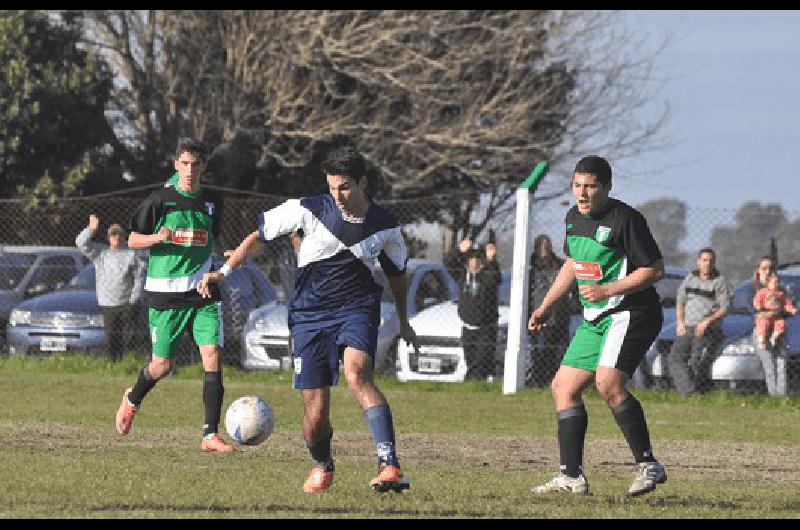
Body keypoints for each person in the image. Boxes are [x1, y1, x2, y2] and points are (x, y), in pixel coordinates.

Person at [198, 145, 419, 493]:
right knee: (315, 416)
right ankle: (323, 463)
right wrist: (223, 272)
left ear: (362, 182)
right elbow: (259, 237)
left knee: (357, 373)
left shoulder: (386, 226)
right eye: (332, 187)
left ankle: (389, 464)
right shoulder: (307, 209)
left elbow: (397, 276)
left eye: (345, 186)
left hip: (357, 308)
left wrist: (405, 320)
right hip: (309, 316)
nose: (338, 195)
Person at [528, 155, 667, 497]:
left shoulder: (627, 219)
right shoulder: (573, 218)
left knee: (608, 384)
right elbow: (573, 264)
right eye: (577, 185)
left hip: (631, 311)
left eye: (590, 186)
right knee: (563, 387)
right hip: (596, 316)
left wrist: (608, 289)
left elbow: (654, 270)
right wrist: (546, 305)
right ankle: (571, 477)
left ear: (606, 187)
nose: (583, 193)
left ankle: (648, 464)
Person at [114, 137, 234, 453]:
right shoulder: (160, 200)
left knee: (213, 354)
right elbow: (132, 240)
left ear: (204, 166)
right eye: (185, 163)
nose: (191, 169)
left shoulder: (212, 201)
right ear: (175, 164)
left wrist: (226, 256)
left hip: (202, 289)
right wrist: (156, 237)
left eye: (196, 164)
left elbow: (213, 239)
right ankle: (133, 398)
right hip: (165, 294)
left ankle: (210, 434)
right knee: (162, 365)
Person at [75, 214, 146, 361]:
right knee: (112, 338)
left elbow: (139, 277)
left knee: (129, 338)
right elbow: (80, 243)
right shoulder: (101, 255)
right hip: (108, 303)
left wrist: (134, 298)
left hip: (127, 303)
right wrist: (91, 229)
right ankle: (113, 364)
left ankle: (129, 363)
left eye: (119, 234)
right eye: (113, 234)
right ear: (108, 238)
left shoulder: (131, 255)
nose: (116, 237)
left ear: (123, 237)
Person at [667, 248, 733, 396]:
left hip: (706, 330)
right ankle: (689, 392)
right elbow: (680, 301)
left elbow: (725, 308)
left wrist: (706, 322)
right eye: (704, 260)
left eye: (711, 260)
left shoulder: (720, 281)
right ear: (698, 262)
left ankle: (697, 392)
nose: (707, 263)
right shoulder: (690, 278)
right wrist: (680, 323)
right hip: (687, 327)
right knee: (675, 358)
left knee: (695, 362)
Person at [445, 238, 501, 380]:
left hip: (485, 328)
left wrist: (491, 260)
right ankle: (474, 384)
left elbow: (495, 278)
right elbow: (447, 263)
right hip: (468, 326)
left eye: (478, 259)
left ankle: (472, 383)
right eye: (471, 258)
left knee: (480, 362)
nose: (474, 262)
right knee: (471, 360)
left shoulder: (486, 275)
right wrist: (459, 250)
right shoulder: (462, 276)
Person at [527, 234, 573, 387]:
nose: (544, 248)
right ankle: (539, 382)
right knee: (539, 351)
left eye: (547, 244)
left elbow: (571, 283)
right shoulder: (530, 268)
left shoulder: (560, 265)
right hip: (538, 316)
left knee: (558, 352)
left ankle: (557, 382)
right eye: (541, 245)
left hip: (559, 317)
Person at [753, 272, 797, 349]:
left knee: (781, 324)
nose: (777, 284)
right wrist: (758, 306)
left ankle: (774, 337)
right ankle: (761, 339)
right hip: (765, 314)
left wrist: (791, 309)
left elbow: (786, 303)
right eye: (775, 282)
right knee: (763, 323)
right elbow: (757, 300)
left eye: (778, 282)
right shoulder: (762, 292)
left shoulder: (781, 294)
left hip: (776, 315)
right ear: (768, 283)